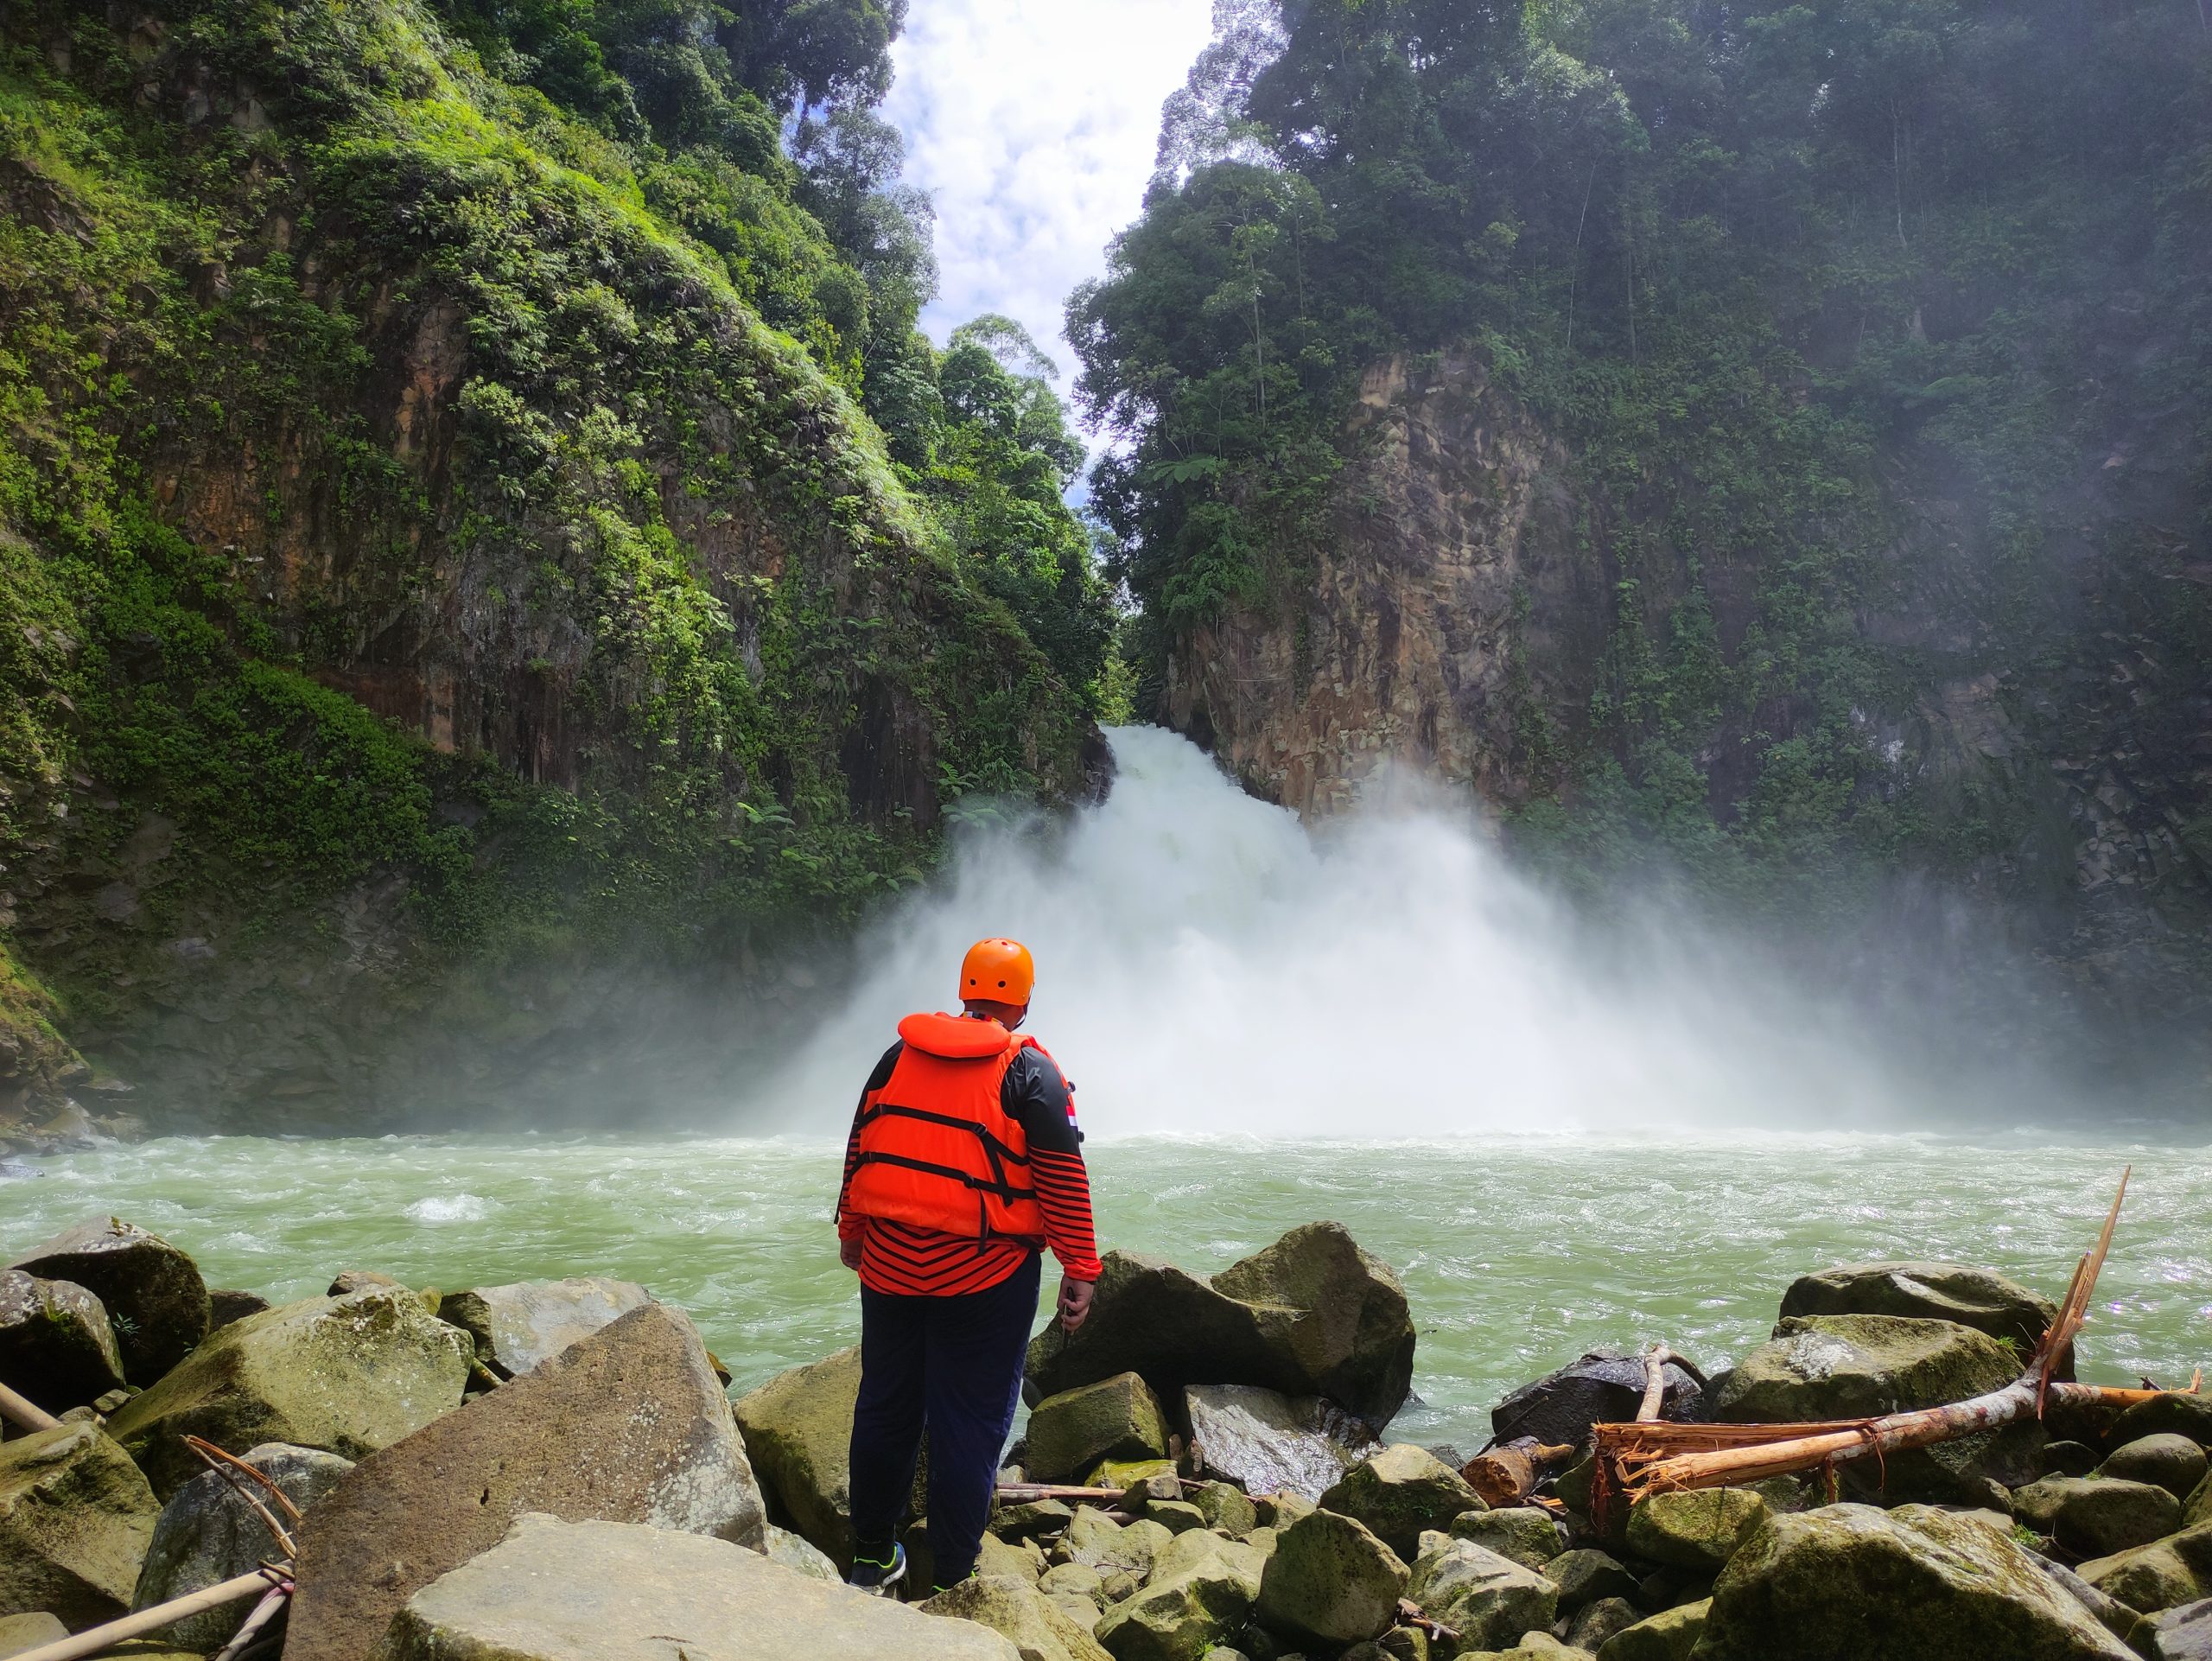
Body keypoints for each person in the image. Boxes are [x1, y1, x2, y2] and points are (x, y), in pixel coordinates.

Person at [835, 938, 1101, 1596]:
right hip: (984, 1278)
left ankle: (872, 1558)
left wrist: (853, 1230)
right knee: (971, 1422)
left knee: (885, 1408)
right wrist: (1081, 1267)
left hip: (891, 1266)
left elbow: (862, 1145)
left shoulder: (898, 1057)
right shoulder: (1030, 1073)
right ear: (1024, 1000)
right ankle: (955, 1577)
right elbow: (1063, 1178)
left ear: (965, 991)